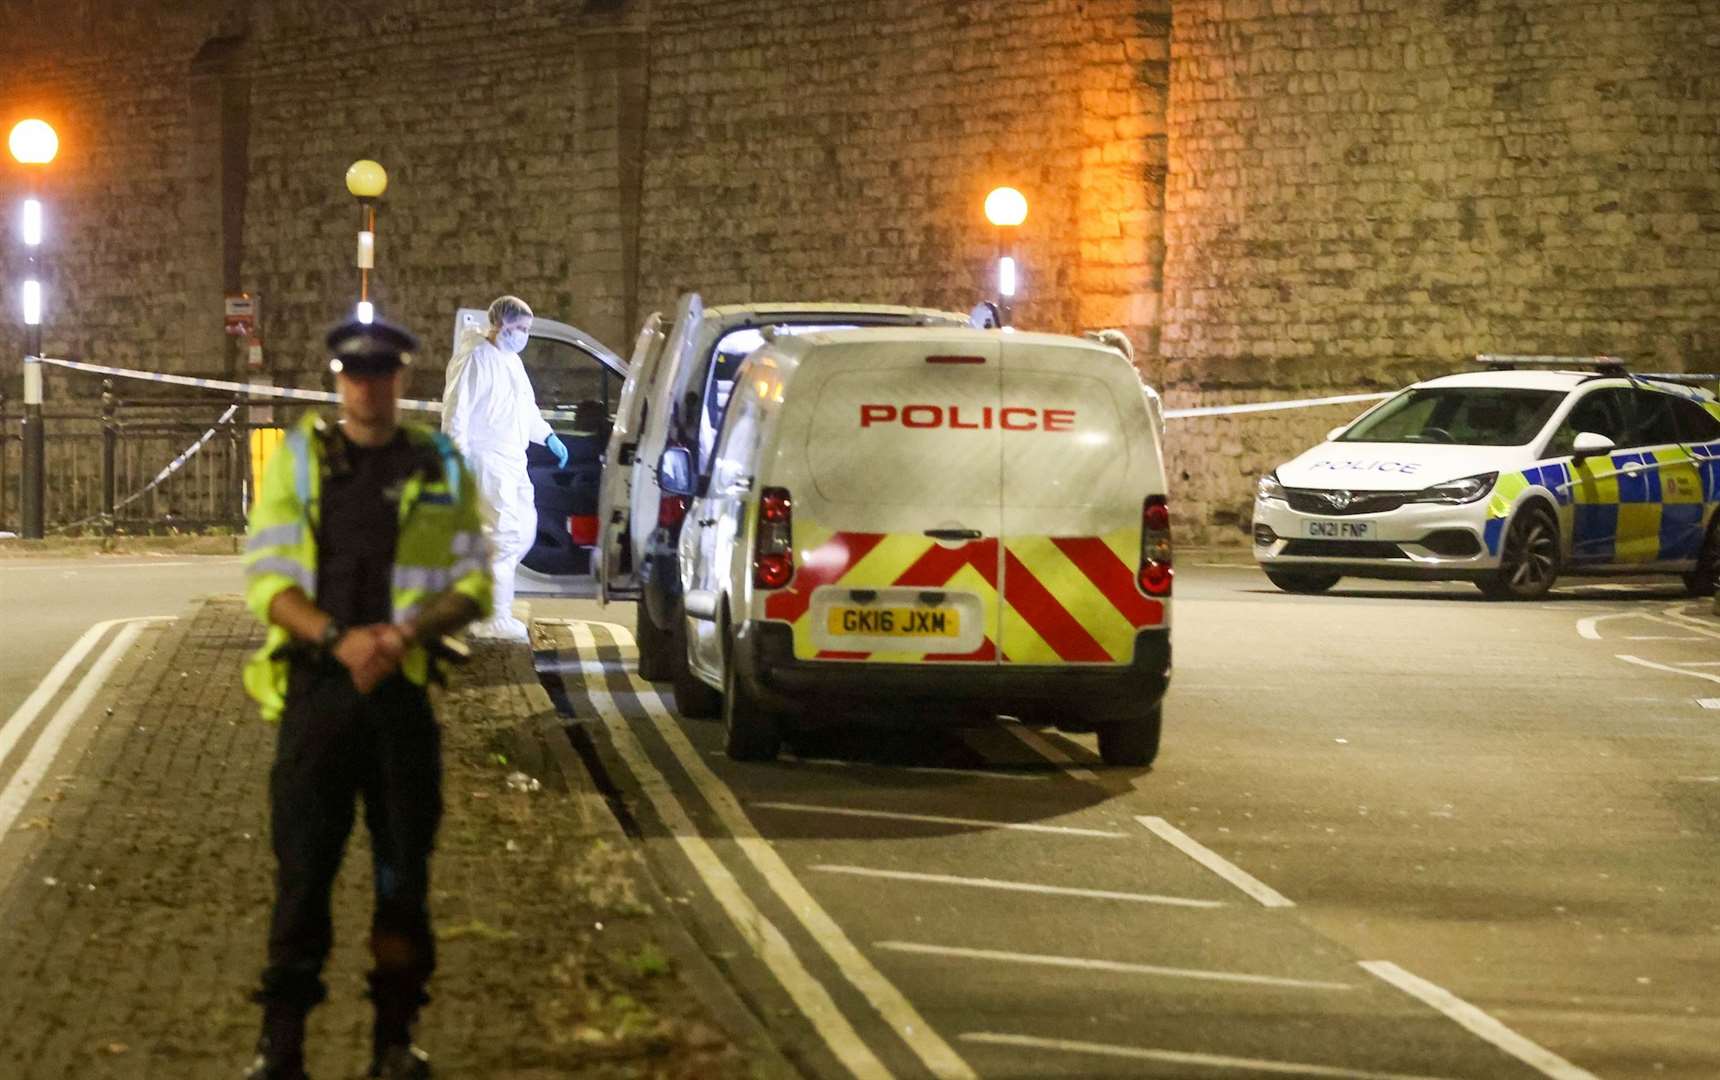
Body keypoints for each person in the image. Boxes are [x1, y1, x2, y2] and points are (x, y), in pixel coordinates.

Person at [240, 317, 491, 1080]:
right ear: (338, 380)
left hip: (400, 702)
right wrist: (341, 639)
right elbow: (268, 584)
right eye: (353, 374)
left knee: (402, 878)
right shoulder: (303, 461)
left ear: (400, 380)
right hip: (317, 698)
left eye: (379, 374)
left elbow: (473, 582)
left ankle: (393, 1042)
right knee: (303, 877)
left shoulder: (438, 462)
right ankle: (280, 1049)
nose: (366, 387)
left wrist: (403, 635)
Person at [441, 295, 568, 640]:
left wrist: (548, 436)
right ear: (500, 324)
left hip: (513, 460)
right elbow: (457, 413)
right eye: (520, 328)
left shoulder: (510, 361)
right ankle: (492, 617)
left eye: (528, 329)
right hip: (486, 460)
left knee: (523, 529)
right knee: (503, 535)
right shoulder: (476, 358)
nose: (524, 335)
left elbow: (524, 410)